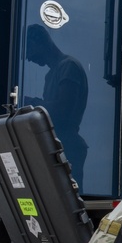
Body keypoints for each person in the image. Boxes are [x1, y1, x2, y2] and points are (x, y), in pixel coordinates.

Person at [24, 24, 89, 183]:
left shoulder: (68, 66)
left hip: (68, 145)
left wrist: (31, 104)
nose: (29, 58)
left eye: (30, 51)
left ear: (41, 43)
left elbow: (62, 109)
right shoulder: (51, 74)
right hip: (58, 142)